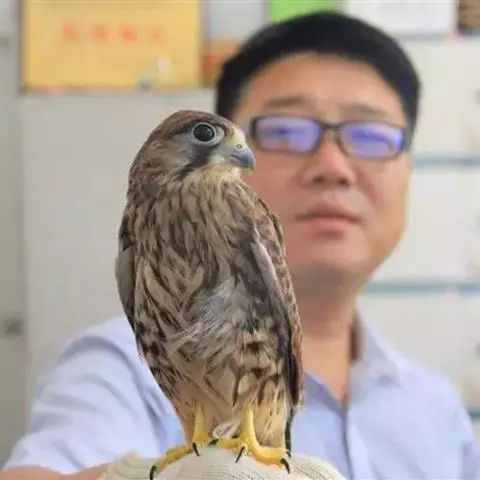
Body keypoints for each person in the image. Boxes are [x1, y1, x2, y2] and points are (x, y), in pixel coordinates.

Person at [2, 10, 480, 480]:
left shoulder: (439, 411)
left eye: (371, 136)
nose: (332, 167)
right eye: (286, 131)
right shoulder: (113, 366)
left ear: (409, 169)